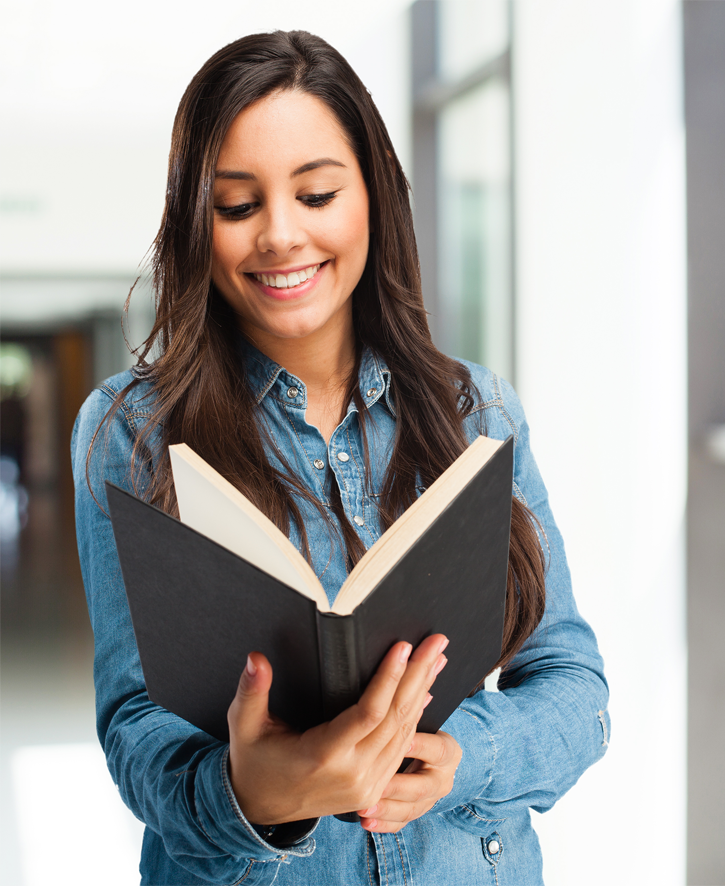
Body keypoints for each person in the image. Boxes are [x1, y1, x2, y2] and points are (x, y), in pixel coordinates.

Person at [71, 30, 610, 886]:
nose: (281, 236)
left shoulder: (479, 411)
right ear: (194, 224)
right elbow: (137, 728)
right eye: (237, 205)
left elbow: (574, 688)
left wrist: (465, 755)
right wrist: (251, 794)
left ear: (374, 198)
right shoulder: (128, 432)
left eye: (317, 193)